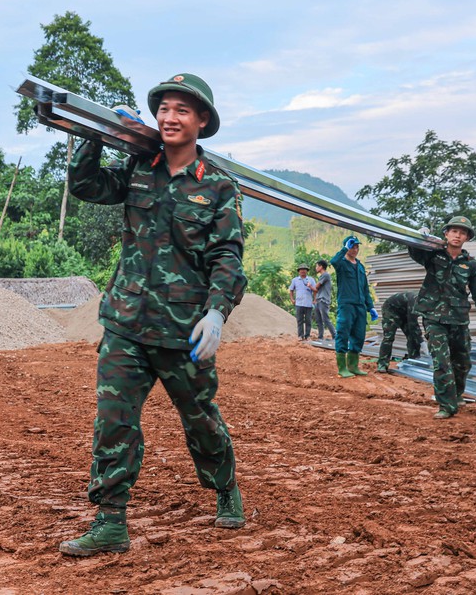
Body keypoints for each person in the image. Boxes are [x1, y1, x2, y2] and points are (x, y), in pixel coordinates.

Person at [60, 73, 248, 556]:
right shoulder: (139, 165)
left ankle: (225, 485)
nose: (170, 117)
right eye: (164, 108)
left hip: (183, 330)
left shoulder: (219, 187)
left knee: (201, 419)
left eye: (182, 109)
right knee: (114, 420)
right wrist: (95, 136)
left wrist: (217, 312)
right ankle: (110, 520)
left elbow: (227, 257)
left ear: (202, 121)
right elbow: (87, 186)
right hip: (125, 321)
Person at [408, 216, 476, 419]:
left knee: (462, 362)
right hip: (433, 317)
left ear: (467, 238)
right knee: (442, 362)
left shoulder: (471, 265)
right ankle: (446, 405)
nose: (458, 235)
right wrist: (418, 238)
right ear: (446, 234)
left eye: (462, 233)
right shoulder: (433, 256)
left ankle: (456, 394)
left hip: (458, 318)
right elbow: (415, 252)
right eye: (454, 231)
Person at [330, 236, 378, 378]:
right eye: (352, 246)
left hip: (360, 306)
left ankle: (353, 366)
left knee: (359, 335)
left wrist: (370, 307)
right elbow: (333, 261)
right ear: (347, 247)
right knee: (343, 332)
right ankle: (342, 368)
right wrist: (344, 248)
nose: (355, 249)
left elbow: (365, 289)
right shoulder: (342, 264)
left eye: (357, 247)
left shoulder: (360, 267)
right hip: (346, 305)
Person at [376, 291, 423, 373]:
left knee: (412, 336)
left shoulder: (430, 304)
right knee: (389, 337)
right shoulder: (415, 301)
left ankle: (413, 361)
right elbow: (413, 324)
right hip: (390, 309)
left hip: (404, 312)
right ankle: (382, 364)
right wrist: (422, 341)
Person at [289, 264, 316, 340]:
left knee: (308, 321)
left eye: (304, 269)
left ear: (307, 271)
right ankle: (300, 336)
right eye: (301, 269)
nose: (303, 271)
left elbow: (315, 290)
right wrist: (292, 299)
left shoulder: (311, 280)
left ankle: (307, 336)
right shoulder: (295, 280)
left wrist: (315, 300)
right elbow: (291, 290)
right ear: (299, 271)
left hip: (308, 303)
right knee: (299, 320)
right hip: (299, 303)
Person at [312, 259, 336, 340]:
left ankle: (335, 336)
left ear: (321, 267)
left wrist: (310, 286)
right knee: (318, 320)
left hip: (323, 300)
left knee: (325, 319)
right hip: (319, 299)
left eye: (317, 266)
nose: (316, 268)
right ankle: (320, 337)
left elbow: (316, 287)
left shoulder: (326, 275)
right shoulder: (322, 276)